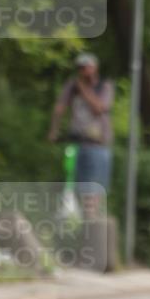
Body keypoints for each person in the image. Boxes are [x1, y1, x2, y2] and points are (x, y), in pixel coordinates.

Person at [48, 53, 114, 217]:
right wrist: (54, 129)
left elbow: (99, 108)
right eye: (80, 68)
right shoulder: (72, 86)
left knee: (95, 189)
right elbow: (60, 107)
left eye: (87, 67)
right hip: (78, 143)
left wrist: (83, 89)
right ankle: (81, 219)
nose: (84, 72)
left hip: (98, 144)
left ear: (95, 68)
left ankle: (92, 220)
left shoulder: (104, 86)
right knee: (76, 186)